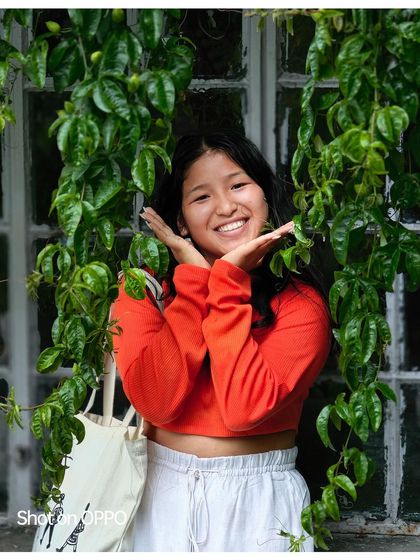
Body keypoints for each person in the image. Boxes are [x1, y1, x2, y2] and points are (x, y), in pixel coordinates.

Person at [112, 130, 331, 552]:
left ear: (265, 195)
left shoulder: (301, 303)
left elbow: (245, 409)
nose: (227, 206)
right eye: (201, 197)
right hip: (155, 495)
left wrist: (226, 281)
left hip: (260, 502)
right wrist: (195, 286)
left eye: (237, 185)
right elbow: (156, 401)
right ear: (180, 221)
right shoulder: (144, 289)